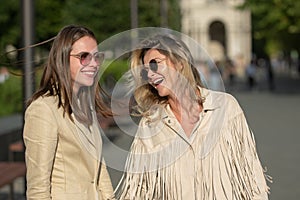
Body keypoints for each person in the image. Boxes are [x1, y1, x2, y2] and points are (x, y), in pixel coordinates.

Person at [118, 34, 270, 199]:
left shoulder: (225, 107)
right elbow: (137, 192)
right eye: (145, 70)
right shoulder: (150, 124)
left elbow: (251, 177)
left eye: (155, 64)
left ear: (180, 63)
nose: (150, 75)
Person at [23, 25, 115, 200]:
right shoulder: (43, 109)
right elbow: (38, 191)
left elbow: (98, 169)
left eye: (97, 57)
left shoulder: (84, 105)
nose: (94, 64)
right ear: (63, 58)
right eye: (84, 57)